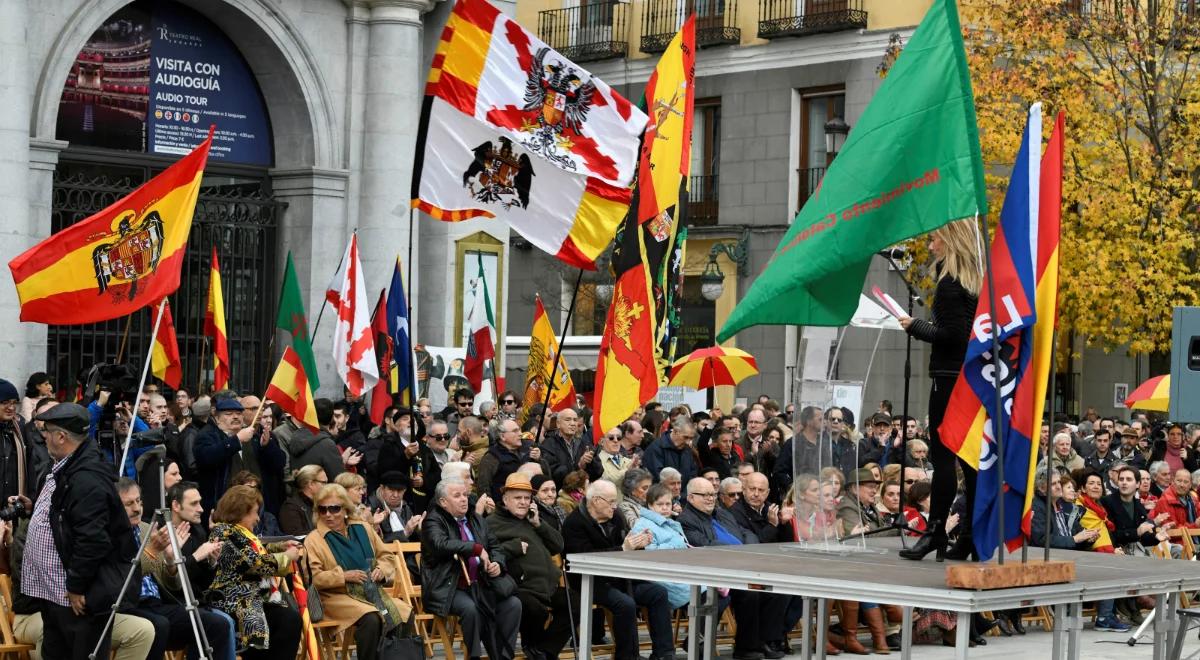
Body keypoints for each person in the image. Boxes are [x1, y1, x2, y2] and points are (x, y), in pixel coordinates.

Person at [20, 402, 137, 659]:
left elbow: (92, 539)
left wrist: (75, 586)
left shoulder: (86, 478)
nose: (44, 438)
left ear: (61, 437)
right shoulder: (69, 466)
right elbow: (68, 517)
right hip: (55, 593)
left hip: (78, 597)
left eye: (47, 432)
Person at [899, 219, 982, 562]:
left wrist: (916, 327)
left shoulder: (949, 284)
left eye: (935, 240)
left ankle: (935, 531)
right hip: (972, 378)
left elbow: (953, 335)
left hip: (948, 377)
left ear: (950, 242)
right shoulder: (976, 284)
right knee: (970, 460)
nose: (931, 247)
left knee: (944, 457)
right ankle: (971, 536)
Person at [118, 478, 236, 660]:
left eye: (139, 501)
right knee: (160, 624)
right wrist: (157, 552)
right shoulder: (113, 534)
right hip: (130, 603)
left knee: (217, 624)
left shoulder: (148, 529)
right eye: (129, 503)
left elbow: (171, 583)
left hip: (160, 602)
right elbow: (126, 576)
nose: (137, 508)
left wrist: (171, 561)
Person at [562, 480, 678, 660]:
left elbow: (627, 544)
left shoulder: (615, 516)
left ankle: (664, 654)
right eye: (611, 502)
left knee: (658, 593)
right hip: (590, 581)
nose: (615, 506)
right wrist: (623, 549)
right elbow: (584, 558)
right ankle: (627, 656)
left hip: (619, 576)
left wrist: (640, 544)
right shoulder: (574, 523)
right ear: (596, 501)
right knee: (625, 603)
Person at [677, 477, 786, 660]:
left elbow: (745, 533)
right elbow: (703, 544)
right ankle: (745, 647)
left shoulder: (722, 513)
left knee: (775, 589)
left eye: (712, 494)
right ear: (690, 498)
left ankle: (764, 641)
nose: (710, 498)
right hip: (713, 571)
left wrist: (747, 549)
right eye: (704, 495)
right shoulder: (685, 520)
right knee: (750, 592)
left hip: (739, 566)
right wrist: (736, 552)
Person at [304, 483, 409, 660]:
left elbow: (387, 556)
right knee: (371, 618)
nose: (328, 514)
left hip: (372, 592)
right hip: (336, 597)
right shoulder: (313, 540)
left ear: (345, 509)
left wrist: (381, 570)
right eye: (323, 510)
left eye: (334, 509)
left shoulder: (363, 528)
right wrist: (343, 576)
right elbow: (314, 578)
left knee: (404, 613)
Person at [420, 479, 522, 660]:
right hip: (448, 586)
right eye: (457, 496)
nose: (464, 499)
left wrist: (497, 563)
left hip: (480, 583)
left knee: (513, 604)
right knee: (471, 609)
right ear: (443, 502)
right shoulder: (433, 520)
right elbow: (440, 544)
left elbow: (495, 547)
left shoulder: (477, 520)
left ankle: (502, 657)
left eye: (465, 495)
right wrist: (475, 548)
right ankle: (474, 656)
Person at [205, 485, 303, 660]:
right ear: (241, 511)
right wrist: (287, 556)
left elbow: (257, 549)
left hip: (251, 598)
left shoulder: (240, 532)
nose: (258, 518)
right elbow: (254, 562)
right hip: (232, 600)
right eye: (255, 512)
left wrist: (279, 546)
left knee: (290, 619)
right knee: (281, 620)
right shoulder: (224, 532)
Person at [487, 473, 573, 660]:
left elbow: (558, 545)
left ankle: (544, 650)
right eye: (518, 498)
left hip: (547, 585)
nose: (523, 502)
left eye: (527, 498)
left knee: (576, 602)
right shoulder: (492, 523)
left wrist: (538, 524)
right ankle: (534, 648)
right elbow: (489, 552)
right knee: (534, 609)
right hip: (520, 587)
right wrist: (513, 547)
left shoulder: (532, 519)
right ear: (505, 499)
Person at [628, 483, 691, 610]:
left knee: (718, 596)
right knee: (707, 597)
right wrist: (676, 547)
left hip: (678, 570)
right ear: (650, 505)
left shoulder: (670, 522)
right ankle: (700, 629)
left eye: (668, 504)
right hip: (661, 575)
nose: (665, 508)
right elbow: (650, 556)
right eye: (660, 504)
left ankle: (702, 628)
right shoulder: (643, 525)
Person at [193, 397, 257, 513]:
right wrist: (236, 440)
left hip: (246, 500)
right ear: (217, 418)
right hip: (220, 503)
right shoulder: (206, 435)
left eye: (238, 413)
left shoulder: (248, 435)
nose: (235, 417)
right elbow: (207, 458)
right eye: (229, 414)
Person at [476, 419, 549, 500]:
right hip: (503, 507)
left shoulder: (529, 449)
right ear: (502, 436)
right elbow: (483, 487)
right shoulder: (491, 457)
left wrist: (539, 459)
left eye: (519, 430)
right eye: (515, 431)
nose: (520, 434)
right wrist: (490, 508)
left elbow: (546, 477)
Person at [290, 399, 350, 482]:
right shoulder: (327, 444)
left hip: (300, 491)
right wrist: (343, 462)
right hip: (321, 493)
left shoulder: (295, 436)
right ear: (331, 418)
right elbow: (338, 479)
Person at [542, 408, 600, 486]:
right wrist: (579, 466)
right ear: (558, 424)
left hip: (582, 493)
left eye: (575, 420)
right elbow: (555, 473)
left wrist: (590, 463)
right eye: (568, 420)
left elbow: (599, 471)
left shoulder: (585, 443)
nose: (572, 423)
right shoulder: (548, 444)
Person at [642, 417, 700, 493]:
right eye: (685, 437)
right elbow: (658, 478)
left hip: (684, 499)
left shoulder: (687, 450)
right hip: (662, 498)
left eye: (691, 438)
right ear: (675, 431)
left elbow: (693, 475)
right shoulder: (656, 448)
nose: (688, 442)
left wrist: (684, 496)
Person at [367, 471, 423, 543]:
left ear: (404, 491)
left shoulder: (405, 507)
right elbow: (373, 543)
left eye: (399, 491)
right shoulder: (370, 508)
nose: (395, 495)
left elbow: (412, 539)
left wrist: (420, 530)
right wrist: (404, 533)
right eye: (391, 490)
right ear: (382, 488)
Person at [0, 379, 32, 504]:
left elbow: (30, 464)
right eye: (5, 402)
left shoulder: (19, 428)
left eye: (14, 403)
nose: (11, 408)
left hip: (13, 505)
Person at [279, 464, 328, 536]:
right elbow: (297, 536)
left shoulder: (324, 503)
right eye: (324, 483)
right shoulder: (291, 507)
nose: (327, 486)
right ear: (311, 484)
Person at [596, 428, 637, 492]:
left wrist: (636, 471)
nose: (616, 440)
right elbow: (608, 481)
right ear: (601, 442)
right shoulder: (597, 461)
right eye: (611, 438)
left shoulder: (628, 461)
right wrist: (627, 470)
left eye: (619, 438)